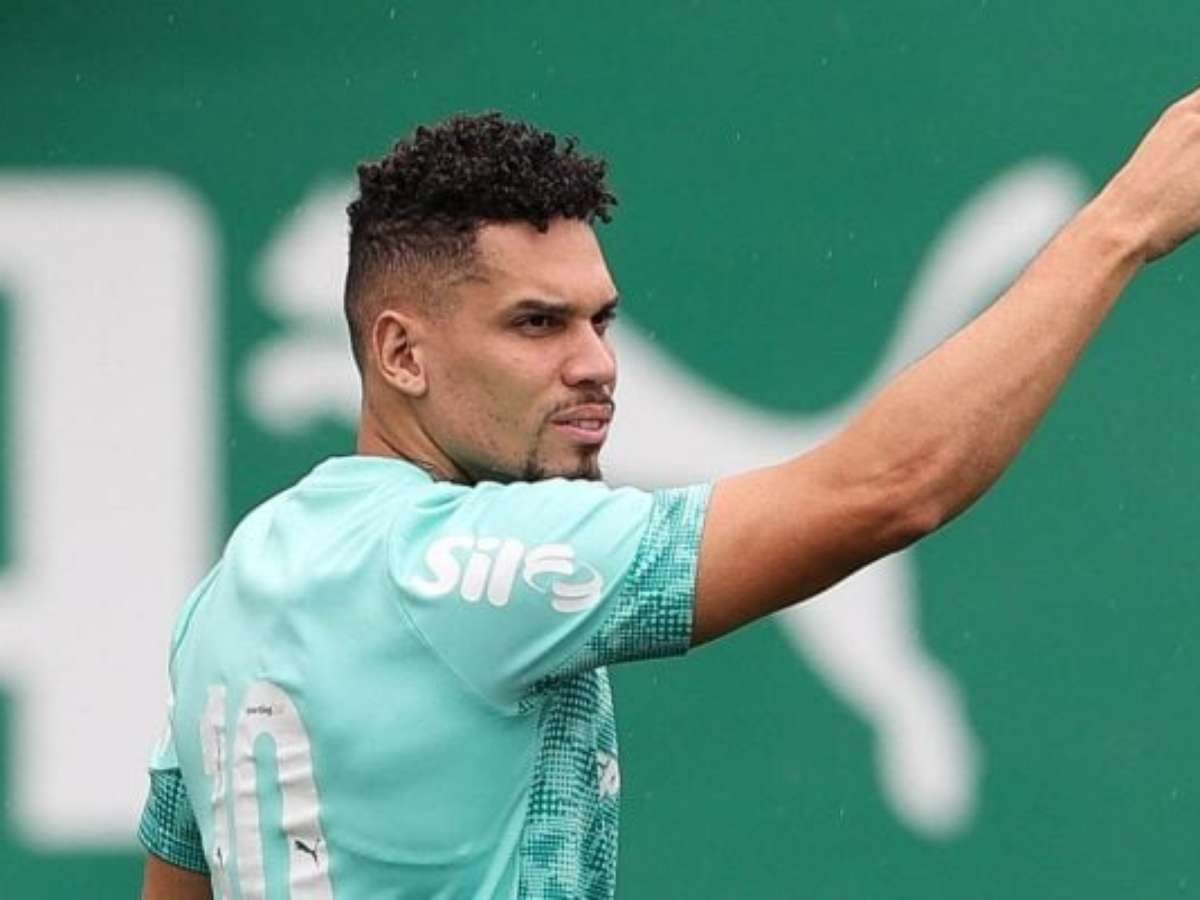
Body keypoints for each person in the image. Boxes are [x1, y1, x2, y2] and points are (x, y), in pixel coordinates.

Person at [139, 91, 1200, 899]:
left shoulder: (223, 602)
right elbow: (890, 489)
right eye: (538, 323)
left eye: (600, 320)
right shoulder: (460, 566)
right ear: (401, 354)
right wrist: (1122, 228)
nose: (597, 363)